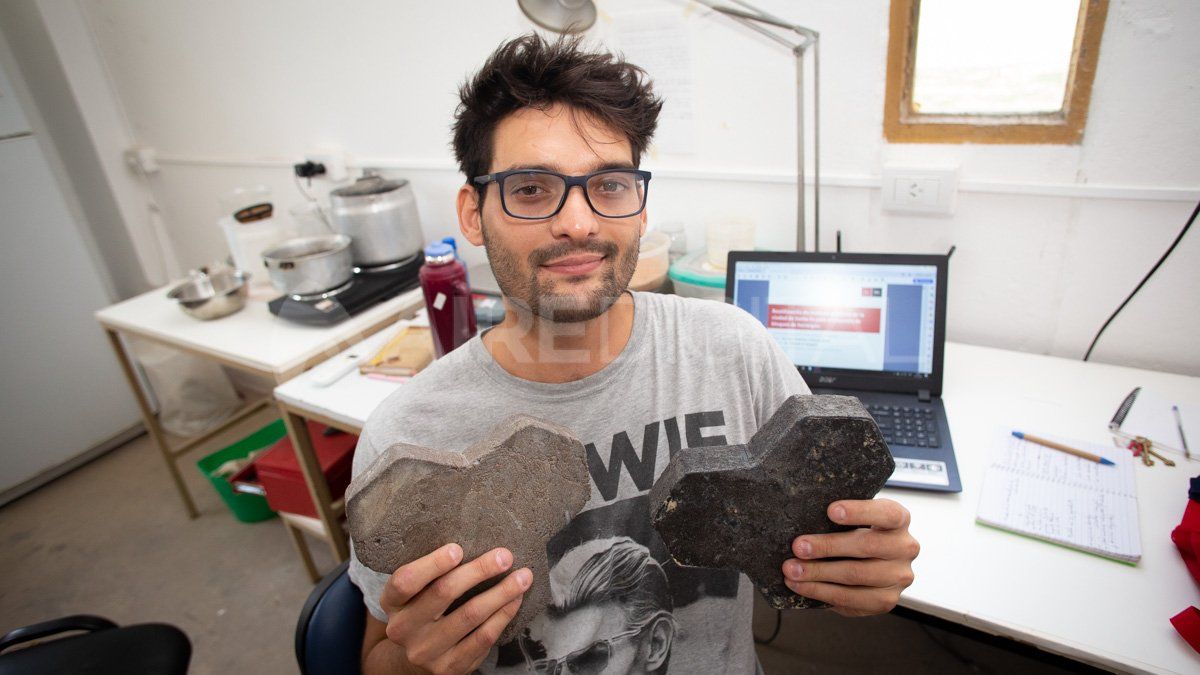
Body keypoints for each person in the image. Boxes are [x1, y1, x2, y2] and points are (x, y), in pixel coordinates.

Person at [349, 33, 919, 675]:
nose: (579, 222)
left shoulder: (734, 351)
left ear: (640, 207)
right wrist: (414, 661)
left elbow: (835, 535)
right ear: (474, 215)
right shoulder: (410, 435)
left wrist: (860, 566)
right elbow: (379, 655)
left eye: (610, 185)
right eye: (532, 189)